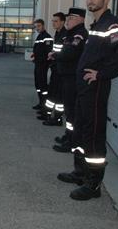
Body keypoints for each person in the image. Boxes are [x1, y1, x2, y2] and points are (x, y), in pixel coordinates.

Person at [59, 0, 118, 201]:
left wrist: (101, 74)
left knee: (93, 136)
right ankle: (81, 173)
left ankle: (93, 184)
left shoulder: (111, 24)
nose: (91, 0)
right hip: (84, 90)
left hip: (95, 89)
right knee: (82, 131)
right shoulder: (96, 24)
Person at [50, 8, 88, 153]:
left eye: (72, 17)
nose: (69, 20)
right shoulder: (70, 34)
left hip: (73, 78)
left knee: (72, 112)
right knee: (69, 110)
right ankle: (68, 136)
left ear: (81, 19)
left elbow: (69, 54)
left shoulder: (79, 35)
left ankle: (72, 141)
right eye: (69, 17)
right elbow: (65, 52)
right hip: (66, 77)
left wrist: (55, 56)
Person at [40, 12, 67, 125]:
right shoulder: (57, 34)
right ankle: (47, 113)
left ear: (62, 22)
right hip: (56, 68)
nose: (53, 23)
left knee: (59, 97)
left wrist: (53, 55)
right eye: (52, 21)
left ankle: (57, 118)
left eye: (56, 21)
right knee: (52, 94)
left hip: (61, 70)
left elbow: (65, 53)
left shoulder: (65, 35)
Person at [31, 19, 53, 112]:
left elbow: (48, 52)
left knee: (43, 87)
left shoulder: (47, 37)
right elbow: (39, 50)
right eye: (36, 27)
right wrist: (34, 55)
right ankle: (41, 103)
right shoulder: (39, 36)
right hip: (38, 64)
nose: (37, 28)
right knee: (38, 85)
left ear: (43, 26)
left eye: (39, 26)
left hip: (43, 65)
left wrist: (41, 59)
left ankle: (45, 106)